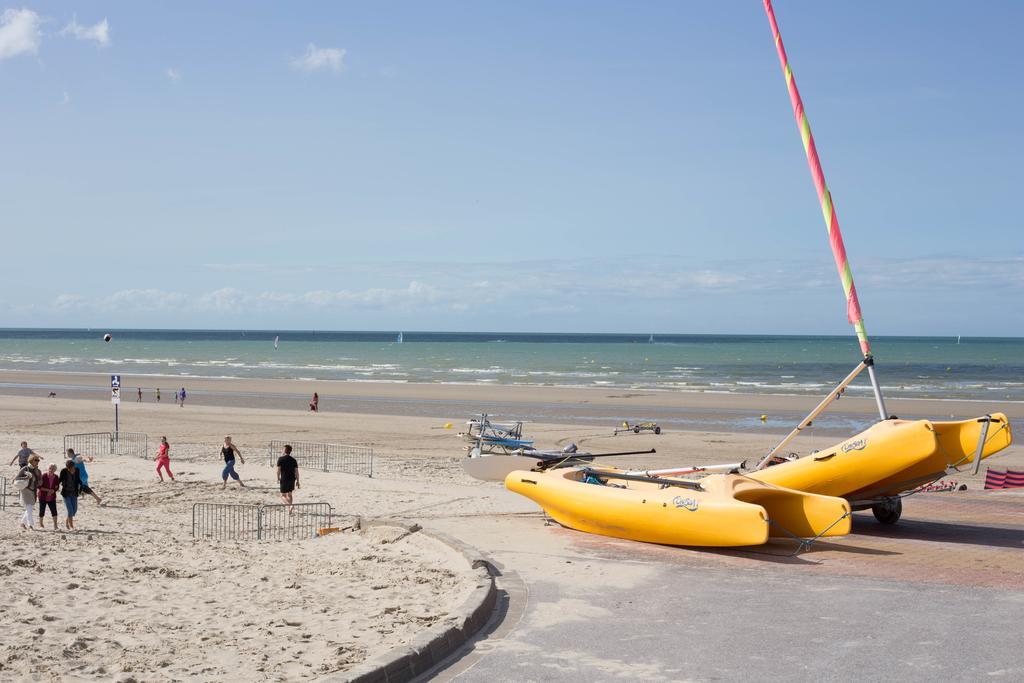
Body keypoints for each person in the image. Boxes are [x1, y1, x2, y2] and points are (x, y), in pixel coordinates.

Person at [15, 454, 42, 530]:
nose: (37, 462)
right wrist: (26, 477)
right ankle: (31, 525)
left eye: (38, 460)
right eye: (35, 460)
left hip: (33, 491)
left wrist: (39, 481)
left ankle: (22, 523)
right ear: (31, 460)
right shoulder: (25, 468)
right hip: (25, 490)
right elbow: (16, 478)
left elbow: (40, 481)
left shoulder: (38, 471)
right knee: (29, 508)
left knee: (29, 508)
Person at [59, 458, 82, 530]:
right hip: (66, 493)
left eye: (73, 468)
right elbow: (59, 480)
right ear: (67, 468)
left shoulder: (77, 470)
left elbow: (78, 480)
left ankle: (67, 521)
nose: (73, 469)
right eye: (71, 468)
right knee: (70, 510)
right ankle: (71, 526)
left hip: (74, 492)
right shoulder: (64, 471)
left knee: (74, 510)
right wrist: (55, 488)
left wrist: (81, 487)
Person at [276, 444, 299, 512]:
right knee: (289, 494)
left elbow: (278, 470)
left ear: (285, 450)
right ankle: (289, 509)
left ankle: (290, 505)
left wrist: (277, 478)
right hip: (292, 479)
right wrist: (298, 481)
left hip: (284, 478)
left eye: (283, 449)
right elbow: (297, 472)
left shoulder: (280, 459)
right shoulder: (294, 460)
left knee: (282, 495)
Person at [38, 463, 60, 531]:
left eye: (53, 469)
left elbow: (57, 487)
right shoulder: (44, 476)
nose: (51, 470)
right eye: (50, 468)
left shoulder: (56, 477)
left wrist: (53, 491)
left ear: (55, 470)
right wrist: (48, 490)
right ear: (48, 468)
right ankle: (41, 524)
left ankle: (55, 526)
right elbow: (39, 486)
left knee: (54, 511)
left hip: (52, 497)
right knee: (42, 511)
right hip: (42, 496)